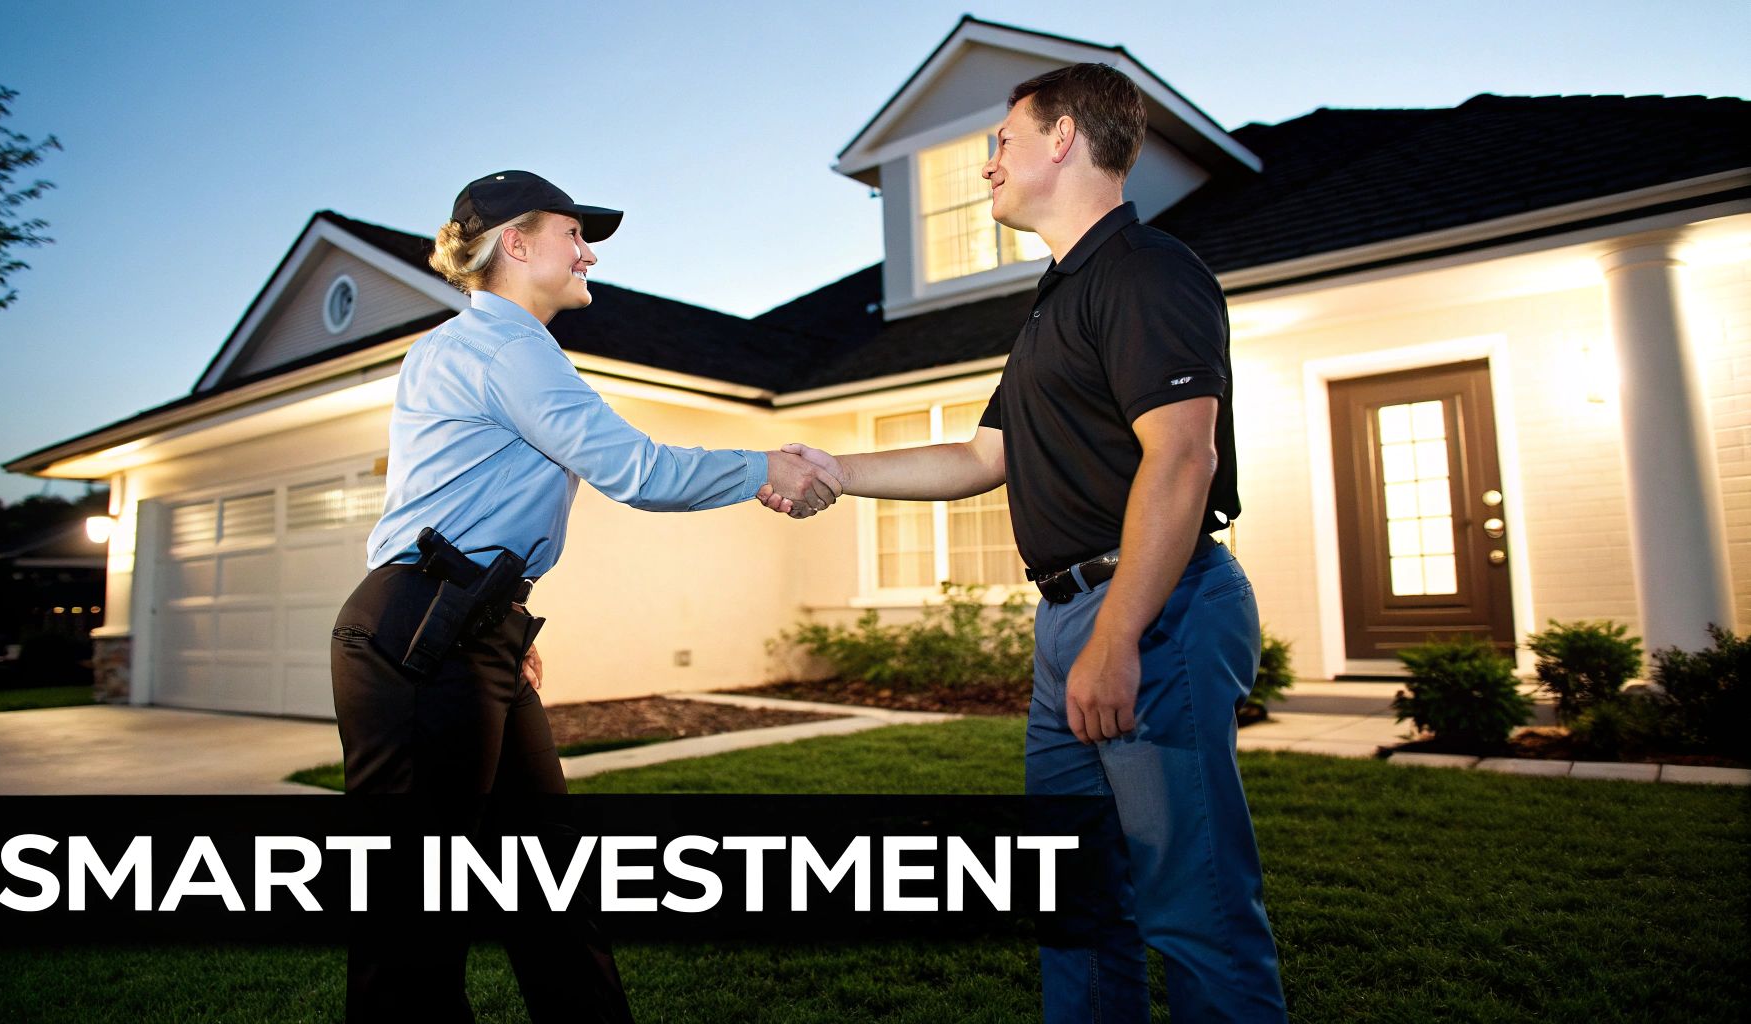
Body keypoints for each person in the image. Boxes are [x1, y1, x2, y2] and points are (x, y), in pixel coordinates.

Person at [768, 65, 1287, 1022]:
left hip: (1151, 611)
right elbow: (978, 457)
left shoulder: (1147, 271)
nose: (986, 165)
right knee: (1077, 906)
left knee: (1196, 907)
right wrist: (836, 468)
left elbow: (1182, 458)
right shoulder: (1057, 301)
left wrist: (1118, 635)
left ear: (1062, 139)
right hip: (1071, 623)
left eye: (1002, 140)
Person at [330, 169, 840, 1024]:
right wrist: (765, 469)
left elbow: (441, 505)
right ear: (516, 243)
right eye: (573, 233)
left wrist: (492, 618)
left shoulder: (487, 348)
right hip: (425, 631)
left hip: (458, 621)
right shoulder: (502, 347)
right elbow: (635, 470)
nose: (590, 250)